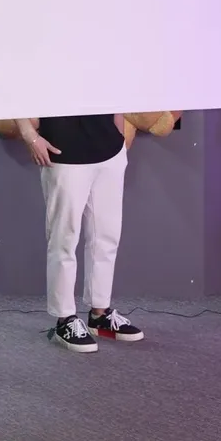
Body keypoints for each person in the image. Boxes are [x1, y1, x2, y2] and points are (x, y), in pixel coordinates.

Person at [14, 115, 143, 352]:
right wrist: (30, 136)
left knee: (107, 237)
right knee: (63, 239)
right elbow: (14, 98)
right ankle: (65, 320)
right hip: (64, 152)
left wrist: (120, 141)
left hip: (109, 150)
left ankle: (100, 315)